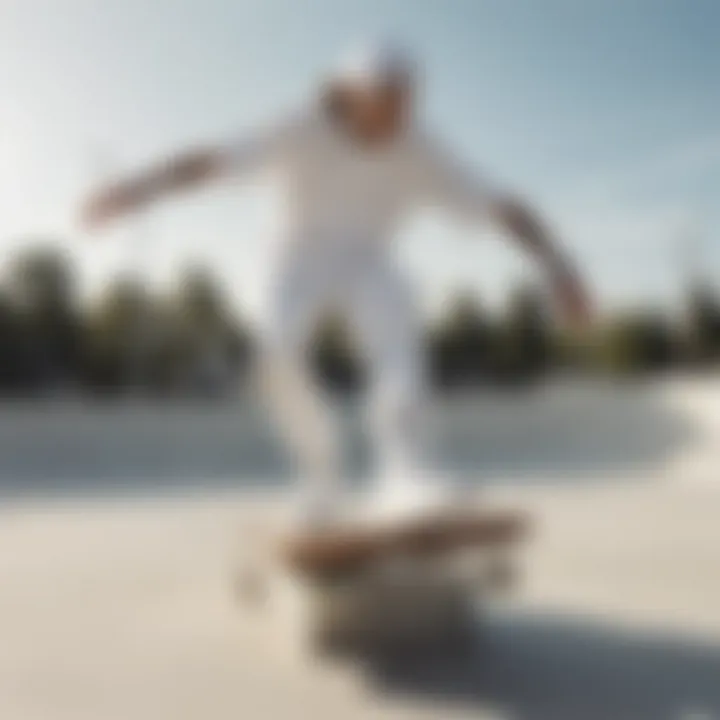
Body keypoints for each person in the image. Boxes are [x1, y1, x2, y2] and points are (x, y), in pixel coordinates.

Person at [80, 41, 591, 525]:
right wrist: (137, 189)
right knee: (275, 359)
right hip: (296, 253)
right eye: (384, 105)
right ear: (350, 95)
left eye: (406, 105)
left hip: (369, 256)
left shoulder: (421, 146)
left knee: (397, 335)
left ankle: (406, 474)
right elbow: (212, 161)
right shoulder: (296, 127)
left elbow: (499, 205)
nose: (396, 121)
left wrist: (559, 267)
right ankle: (321, 478)